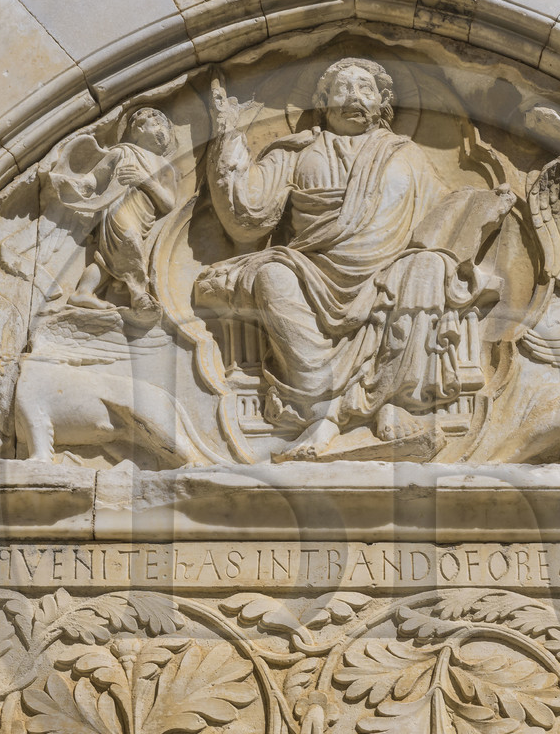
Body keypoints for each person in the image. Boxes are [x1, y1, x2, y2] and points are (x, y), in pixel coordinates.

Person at [198, 58, 482, 460]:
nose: (354, 98)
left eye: (365, 90)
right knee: (272, 277)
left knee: (427, 267)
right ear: (323, 101)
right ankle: (322, 411)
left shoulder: (406, 154)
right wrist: (227, 135)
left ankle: (393, 401)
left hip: (390, 271)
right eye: (343, 88)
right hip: (311, 269)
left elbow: (440, 214)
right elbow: (247, 216)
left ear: (383, 102)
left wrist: (477, 209)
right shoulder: (298, 152)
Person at [64, 107, 177, 322]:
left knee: (108, 260)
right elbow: (95, 177)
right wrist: (80, 186)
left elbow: (168, 203)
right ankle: (138, 294)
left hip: (144, 216)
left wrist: (145, 180)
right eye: (152, 124)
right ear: (137, 130)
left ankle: (83, 292)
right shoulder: (122, 152)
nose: (160, 130)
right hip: (117, 208)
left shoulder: (165, 167)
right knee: (129, 241)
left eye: (163, 126)